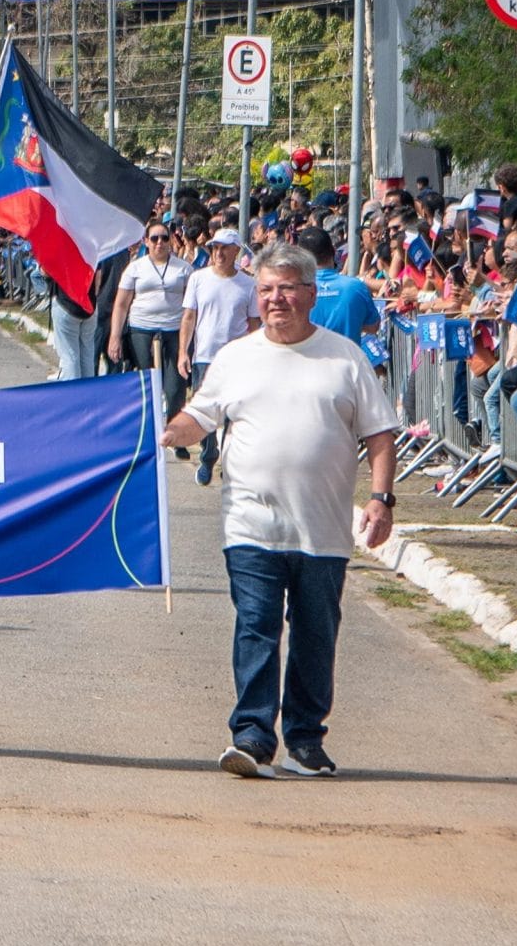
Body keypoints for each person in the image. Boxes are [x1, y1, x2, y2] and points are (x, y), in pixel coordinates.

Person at [162, 243, 400, 779]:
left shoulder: (345, 358)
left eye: (288, 288)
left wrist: (382, 499)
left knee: (316, 634)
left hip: (323, 529)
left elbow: (380, 435)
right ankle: (251, 734)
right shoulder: (236, 357)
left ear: (311, 295)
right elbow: (200, 415)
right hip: (250, 524)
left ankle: (305, 739)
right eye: (266, 289)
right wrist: (167, 431)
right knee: (256, 625)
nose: (276, 300)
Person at [177, 228, 258, 485]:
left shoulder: (248, 284)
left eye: (224, 248)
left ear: (236, 251)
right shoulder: (199, 278)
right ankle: (208, 453)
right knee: (208, 410)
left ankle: (229, 461)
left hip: (236, 357)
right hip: (205, 355)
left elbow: (254, 322)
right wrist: (183, 352)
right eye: (215, 248)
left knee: (233, 411)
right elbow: (189, 317)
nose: (219, 253)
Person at [107, 220, 192, 420]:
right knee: (146, 382)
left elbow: (191, 306)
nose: (159, 243)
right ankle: (148, 426)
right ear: (146, 241)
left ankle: (174, 430)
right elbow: (121, 304)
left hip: (173, 330)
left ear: (171, 241)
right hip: (142, 329)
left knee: (174, 387)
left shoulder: (184, 269)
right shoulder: (135, 268)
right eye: (154, 238)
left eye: (164, 238)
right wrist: (115, 336)